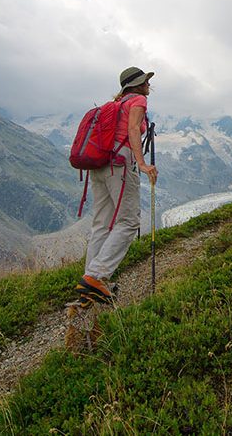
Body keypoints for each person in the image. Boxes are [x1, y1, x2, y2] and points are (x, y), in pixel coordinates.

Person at [75, 66, 159, 305]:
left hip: (100, 166)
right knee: (129, 221)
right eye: (146, 82)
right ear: (139, 85)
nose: (148, 85)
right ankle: (96, 276)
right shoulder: (138, 101)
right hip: (120, 166)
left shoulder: (114, 104)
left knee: (102, 222)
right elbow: (133, 129)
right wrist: (142, 164)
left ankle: (89, 280)